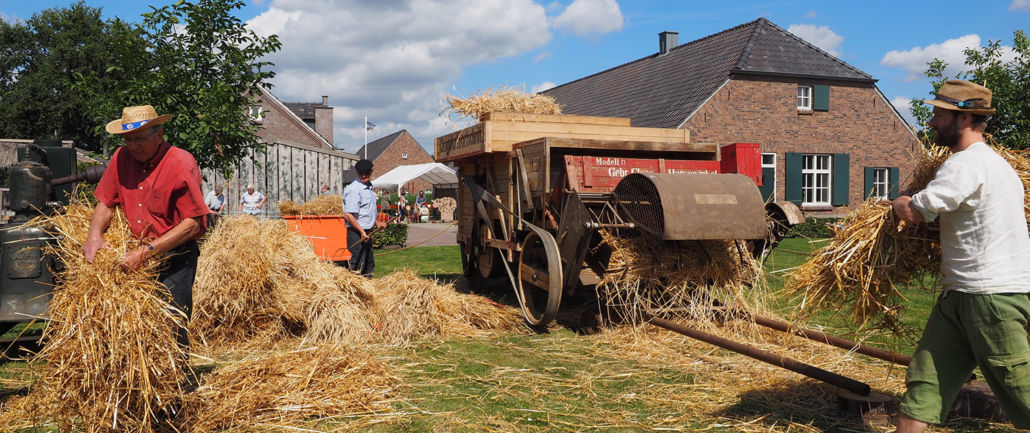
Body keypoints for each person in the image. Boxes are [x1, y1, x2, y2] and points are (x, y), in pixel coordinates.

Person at [891, 80, 1030, 432]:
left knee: (1022, 391)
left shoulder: (966, 165)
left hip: (990, 298)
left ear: (965, 118)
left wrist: (898, 201)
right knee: (925, 384)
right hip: (960, 294)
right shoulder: (996, 166)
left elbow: (915, 212)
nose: (932, 122)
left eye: (939, 114)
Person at [82, 105, 207, 352]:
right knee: (127, 326)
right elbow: (105, 202)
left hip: (174, 256)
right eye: (128, 140)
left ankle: (176, 373)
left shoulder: (180, 163)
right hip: (133, 254)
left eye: (139, 139)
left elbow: (192, 224)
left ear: (159, 135)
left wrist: (146, 252)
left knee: (171, 322)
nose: (133, 146)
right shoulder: (120, 158)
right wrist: (94, 235)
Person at [341, 159, 386, 277]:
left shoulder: (369, 188)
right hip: (356, 233)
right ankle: (353, 287)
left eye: (366, 173)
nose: (364, 176)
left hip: (365, 232)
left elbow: (366, 211)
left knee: (368, 264)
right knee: (357, 266)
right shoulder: (354, 189)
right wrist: (361, 231)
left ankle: (368, 286)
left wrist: (376, 222)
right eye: (361, 173)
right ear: (357, 172)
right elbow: (348, 215)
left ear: (371, 171)